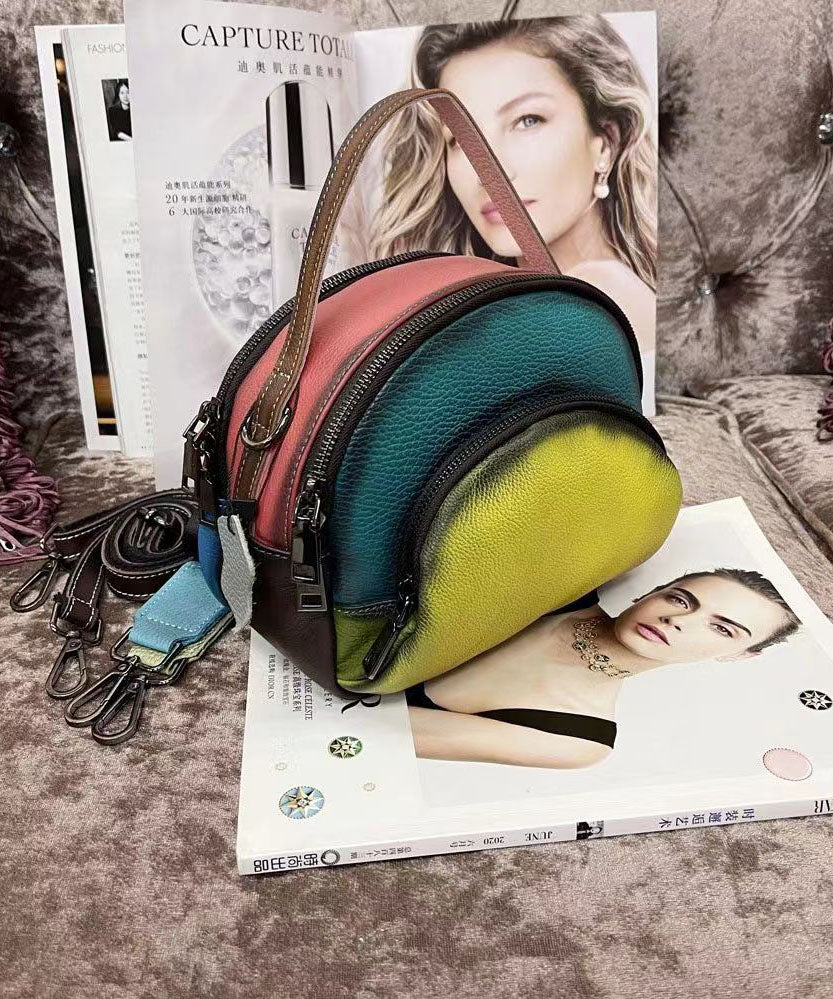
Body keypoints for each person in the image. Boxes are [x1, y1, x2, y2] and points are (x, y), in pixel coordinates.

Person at [368, 17, 658, 355]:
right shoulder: (520, 304)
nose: (488, 173)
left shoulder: (601, 294)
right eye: (461, 139)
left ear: (605, 142)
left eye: (527, 121)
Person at [406, 568, 802, 769]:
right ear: (650, 592)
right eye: (681, 600)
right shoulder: (566, 586)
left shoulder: (578, 739)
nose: (678, 621)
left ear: (739, 655)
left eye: (722, 629)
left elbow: (384, 739)